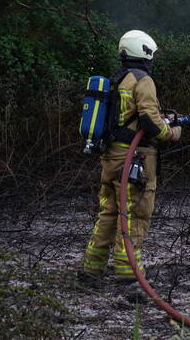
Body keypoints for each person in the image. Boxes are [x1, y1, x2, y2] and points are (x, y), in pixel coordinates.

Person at [77, 30, 181, 291]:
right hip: (135, 158)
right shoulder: (142, 80)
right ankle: (128, 274)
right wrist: (171, 132)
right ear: (144, 52)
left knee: (109, 212)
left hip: (111, 155)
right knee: (136, 213)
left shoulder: (117, 80)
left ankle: (91, 270)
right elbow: (148, 120)